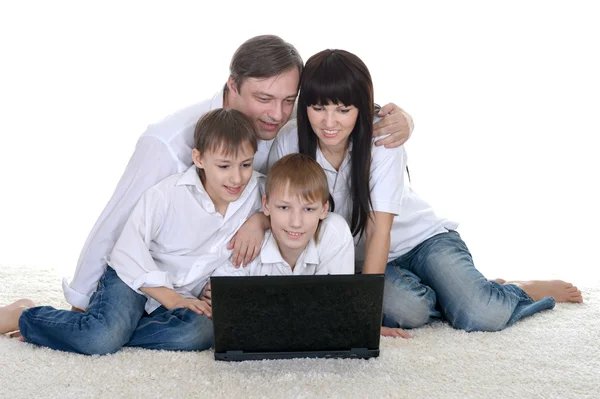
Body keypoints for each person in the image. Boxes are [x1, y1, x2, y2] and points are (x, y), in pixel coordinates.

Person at [64, 35, 415, 313]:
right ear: (232, 86)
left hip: (213, 276)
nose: (277, 114)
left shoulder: (283, 123)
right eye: (264, 98)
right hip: (153, 273)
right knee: (111, 331)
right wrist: (80, 299)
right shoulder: (168, 142)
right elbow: (117, 220)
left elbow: (335, 108)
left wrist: (398, 118)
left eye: (288, 100)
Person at [268, 49, 583, 336]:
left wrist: (363, 318)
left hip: (421, 241)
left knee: (481, 314)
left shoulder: (382, 138)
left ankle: (510, 288)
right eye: (318, 108)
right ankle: (460, 293)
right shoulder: (290, 141)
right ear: (304, 104)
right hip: (366, 259)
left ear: (360, 109)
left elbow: (380, 231)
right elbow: (278, 208)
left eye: (343, 110)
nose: (329, 122)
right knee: (410, 309)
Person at [0, 108, 263, 354]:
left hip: (182, 292)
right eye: (224, 166)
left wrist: (260, 220)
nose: (237, 178)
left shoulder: (256, 191)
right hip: (131, 279)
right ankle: (25, 314)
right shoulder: (167, 194)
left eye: (246, 164)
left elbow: (288, 206)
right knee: (99, 339)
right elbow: (126, 252)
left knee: (201, 332)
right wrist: (171, 299)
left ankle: (110, 330)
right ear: (199, 158)